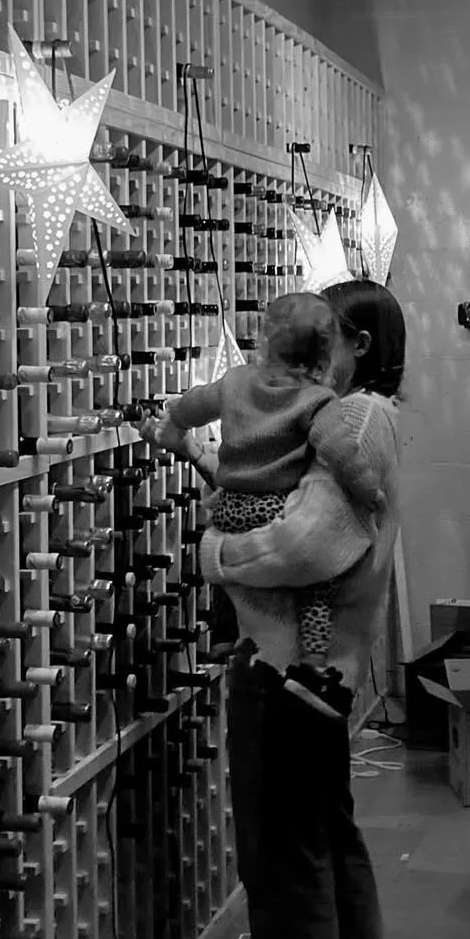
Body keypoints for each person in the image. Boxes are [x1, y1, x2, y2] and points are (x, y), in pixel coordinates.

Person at [140, 278, 405, 939]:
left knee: (284, 869)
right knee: (327, 846)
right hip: (312, 671)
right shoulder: (334, 409)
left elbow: (303, 545)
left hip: (284, 673)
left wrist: (214, 551)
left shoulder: (350, 416)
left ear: (358, 346)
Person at [157, 290, 389, 719]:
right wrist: (369, 492)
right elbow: (341, 454)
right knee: (320, 587)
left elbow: (193, 404)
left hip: (228, 505)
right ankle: (313, 668)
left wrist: (173, 422)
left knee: (237, 579)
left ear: (264, 341)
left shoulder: (235, 382)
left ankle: (225, 632)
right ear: (324, 352)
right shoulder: (316, 401)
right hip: (273, 506)